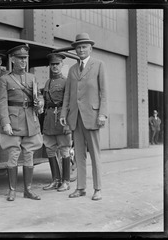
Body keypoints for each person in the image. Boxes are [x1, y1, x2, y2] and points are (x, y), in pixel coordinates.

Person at [60, 33, 108, 201]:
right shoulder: (72, 69)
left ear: (90, 48)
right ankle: (80, 188)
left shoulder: (99, 65)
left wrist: (102, 114)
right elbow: (68, 94)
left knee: (95, 154)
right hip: (75, 117)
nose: (80, 49)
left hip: (93, 116)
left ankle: (98, 188)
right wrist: (63, 114)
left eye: (84, 47)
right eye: (78, 47)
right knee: (78, 153)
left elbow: (104, 93)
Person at [0, 45, 44, 201]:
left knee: (29, 154)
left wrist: (40, 103)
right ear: (13, 60)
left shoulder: (32, 78)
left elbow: (39, 97)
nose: (23, 61)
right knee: (13, 155)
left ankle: (28, 190)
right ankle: (11, 190)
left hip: (30, 120)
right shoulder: (5, 79)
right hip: (14, 120)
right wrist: (6, 123)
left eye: (25, 58)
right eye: (20, 58)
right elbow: (2, 103)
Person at [42, 53, 72, 192]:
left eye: (57, 64)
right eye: (52, 64)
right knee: (50, 149)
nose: (54, 67)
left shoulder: (67, 82)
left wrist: (68, 124)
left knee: (65, 149)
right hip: (49, 119)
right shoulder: (48, 82)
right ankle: (55, 180)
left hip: (61, 117)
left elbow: (70, 104)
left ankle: (66, 181)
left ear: (62, 65)